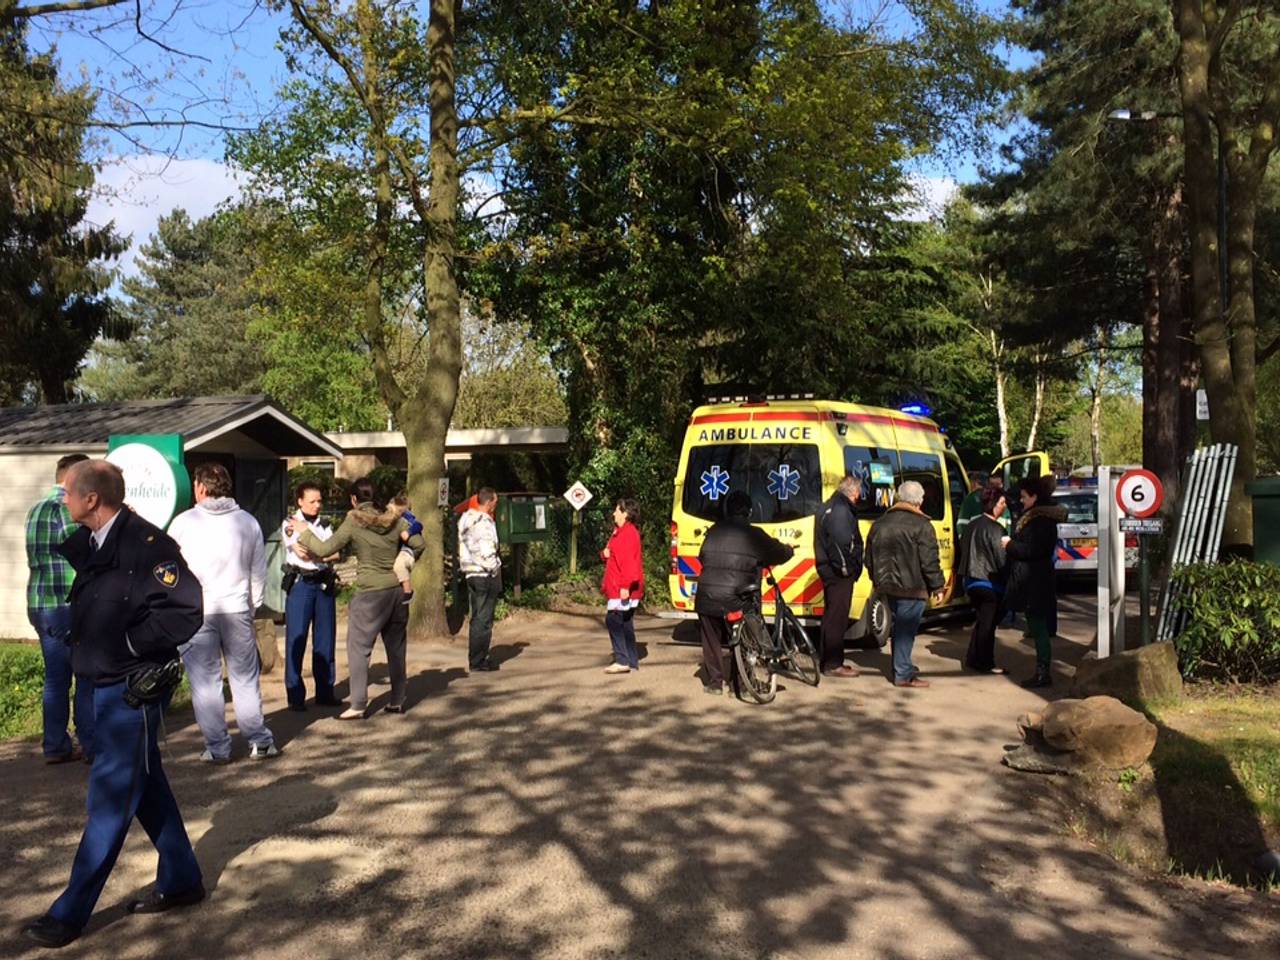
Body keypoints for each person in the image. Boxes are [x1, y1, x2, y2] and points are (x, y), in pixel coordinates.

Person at [22, 460, 205, 949]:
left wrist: (129, 648)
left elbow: (186, 610)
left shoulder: (149, 547)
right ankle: (183, 879)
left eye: (67, 494)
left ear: (91, 499)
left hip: (132, 689)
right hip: (99, 685)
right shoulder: (100, 541)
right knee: (144, 786)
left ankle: (69, 914)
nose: (62, 501)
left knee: (108, 799)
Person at [168, 463, 276, 762]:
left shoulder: (183, 523)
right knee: (244, 678)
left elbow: (172, 570)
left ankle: (217, 748)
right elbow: (258, 570)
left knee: (205, 683)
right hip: (238, 607)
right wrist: (252, 604)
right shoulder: (248, 522)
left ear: (201, 488)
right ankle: (259, 740)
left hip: (196, 611)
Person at [296, 477, 424, 716]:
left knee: (359, 648)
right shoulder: (395, 519)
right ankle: (397, 699)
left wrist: (305, 533)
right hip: (396, 591)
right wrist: (402, 558)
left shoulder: (354, 521)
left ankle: (358, 704)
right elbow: (418, 543)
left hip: (370, 594)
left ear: (354, 499)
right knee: (396, 647)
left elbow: (325, 549)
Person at [24, 452, 95, 764]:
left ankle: (55, 744)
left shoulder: (36, 509)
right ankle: (91, 743)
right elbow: (85, 550)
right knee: (84, 674)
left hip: (39, 601)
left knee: (55, 677)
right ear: (74, 477)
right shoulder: (65, 509)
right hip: (65, 603)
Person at [694, 491, 794, 695]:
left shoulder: (714, 531)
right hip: (735, 597)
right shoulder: (753, 534)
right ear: (749, 512)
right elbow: (778, 553)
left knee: (711, 638)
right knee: (744, 634)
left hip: (706, 594)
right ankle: (740, 685)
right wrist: (789, 550)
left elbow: (702, 556)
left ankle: (714, 683)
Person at [865, 480, 945, 689]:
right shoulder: (922, 525)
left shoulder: (879, 523)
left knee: (899, 627)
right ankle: (902, 673)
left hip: (886, 585)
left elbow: (869, 557)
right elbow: (929, 560)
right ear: (919, 500)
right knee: (905, 632)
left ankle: (902, 666)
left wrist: (876, 579)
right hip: (913, 587)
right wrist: (938, 586)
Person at [1003, 475, 1067, 688]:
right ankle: (1042, 670)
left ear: (1034, 496)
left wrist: (1010, 545)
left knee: (1038, 627)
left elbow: (1033, 550)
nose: (1021, 500)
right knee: (1037, 624)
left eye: (1024, 496)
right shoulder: (1039, 518)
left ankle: (1043, 672)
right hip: (1036, 578)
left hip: (1035, 579)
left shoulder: (1038, 521)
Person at [281, 482, 340, 711]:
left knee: (325, 640)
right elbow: (302, 554)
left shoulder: (324, 524)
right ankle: (295, 695)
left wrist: (322, 554)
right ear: (300, 501)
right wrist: (323, 552)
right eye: (312, 501)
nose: (317, 505)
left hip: (323, 585)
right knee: (297, 639)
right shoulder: (290, 523)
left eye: (319, 501)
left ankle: (325, 692)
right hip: (302, 584)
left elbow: (336, 553)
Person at [814, 475, 863, 678]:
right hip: (838, 573)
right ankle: (833, 663)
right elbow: (841, 544)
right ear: (854, 493)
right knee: (837, 618)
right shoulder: (841, 510)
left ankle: (827, 658)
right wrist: (846, 569)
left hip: (829, 569)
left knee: (831, 615)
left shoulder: (829, 506)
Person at [956, 484, 1009, 674]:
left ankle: (974, 658)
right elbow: (1001, 558)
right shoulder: (997, 529)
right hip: (989, 582)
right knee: (988, 625)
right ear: (994, 504)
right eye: (1002, 502)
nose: (1004, 506)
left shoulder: (971, 526)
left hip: (971, 580)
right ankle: (985, 662)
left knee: (982, 621)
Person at [457, 488, 502, 673]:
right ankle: (479, 660)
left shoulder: (466, 519)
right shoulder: (483, 523)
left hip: (470, 572)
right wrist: (494, 567)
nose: (496, 505)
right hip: (485, 574)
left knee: (476, 617)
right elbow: (486, 549)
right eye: (495, 502)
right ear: (489, 502)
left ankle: (475, 657)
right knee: (484, 618)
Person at [600, 498, 644, 674]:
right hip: (619, 585)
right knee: (625, 622)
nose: (613, 513)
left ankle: (622, 659)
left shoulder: (627, 534)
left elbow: (629, 564)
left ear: (625, 514)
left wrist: (625, 586)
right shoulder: (619, 532)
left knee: (613, 620)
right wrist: (604, 554)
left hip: (622, 586)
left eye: (617, 510)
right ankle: (631, 659)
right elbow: (611, 553)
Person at [391, 492, 423, 605]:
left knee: (399, 564)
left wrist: (408, 532)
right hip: (399, 550)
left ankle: (408, 590)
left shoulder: (406, 517)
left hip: (407, 550)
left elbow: (418, 525)